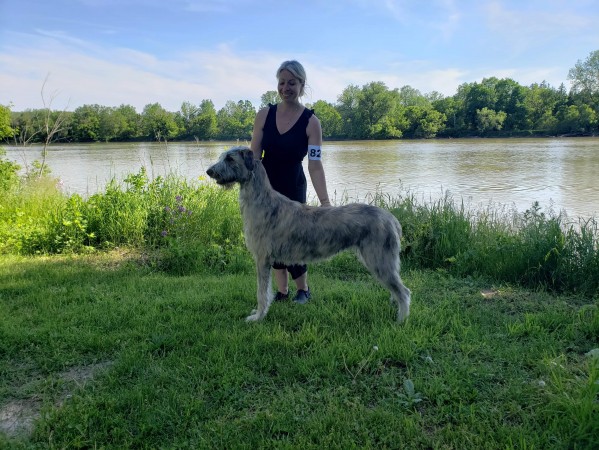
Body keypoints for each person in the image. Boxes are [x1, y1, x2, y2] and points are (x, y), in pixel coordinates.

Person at [250, 60, 331, 305]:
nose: (286, 88)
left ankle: (303, 290)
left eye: (292, 83)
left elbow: (315, 165)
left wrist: (325, 201)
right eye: (282, 82)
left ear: (302, 85)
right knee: (269, 240)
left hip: (294, 186)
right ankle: (282, 292)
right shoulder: (264, 115)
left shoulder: (311, 122)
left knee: (295, 239)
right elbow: (253, 156)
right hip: (265, 187)